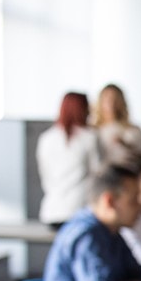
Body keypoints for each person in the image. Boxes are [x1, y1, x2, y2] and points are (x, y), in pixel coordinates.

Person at [36, 92, 101, 228]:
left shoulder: (46, 138)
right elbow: (98, 174)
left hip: (52, 211)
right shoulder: (89, 137)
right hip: (80, 211)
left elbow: (45, 176)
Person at [94, 83, 141, 167]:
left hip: (130, 175)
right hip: (103, 177)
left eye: (115, 99)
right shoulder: (93, 132)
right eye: (107, 99)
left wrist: (127, 146)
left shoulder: (134, 131)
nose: (111, 103)